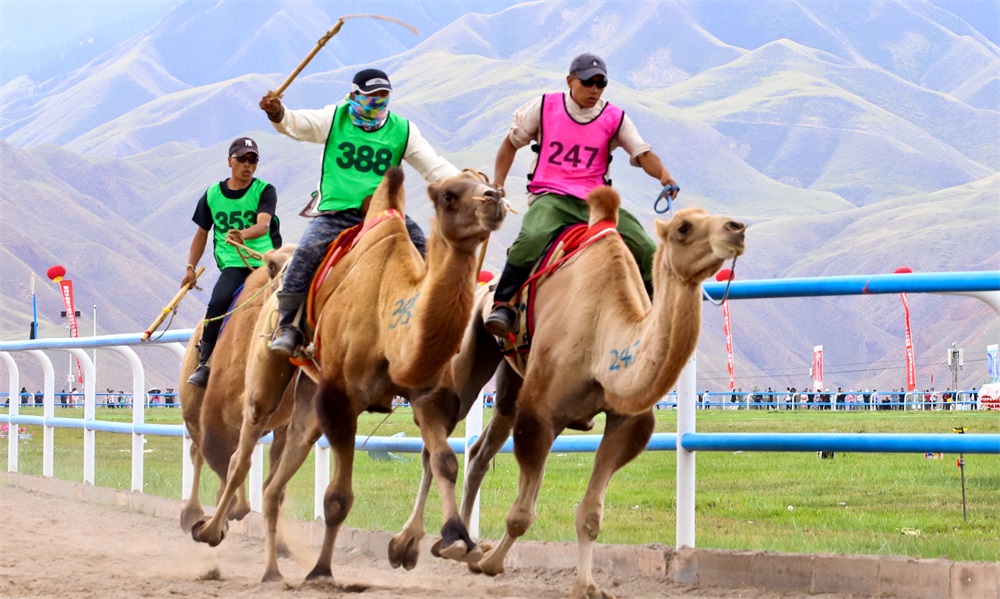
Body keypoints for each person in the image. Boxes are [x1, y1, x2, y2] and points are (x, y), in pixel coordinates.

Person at [259, 68, 461, 355]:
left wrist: (468, 185)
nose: (377, 101)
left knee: (428, 253)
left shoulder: (403, 130)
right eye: (371, 95)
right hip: (336, 213)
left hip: (386, 214)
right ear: (354, 95)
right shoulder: (335, 118)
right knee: (305, 253)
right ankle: (288, 324)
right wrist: (278, 113)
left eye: (383, 95)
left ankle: (438, 323)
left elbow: (434, 167)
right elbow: (300, 125)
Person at [484, 53, 678, 336]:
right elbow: (510, 144)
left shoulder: (615, 118)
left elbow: (642, 153)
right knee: (533, 235)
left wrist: (664, 176)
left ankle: (657, 309)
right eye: (588, 82)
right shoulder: (545, 106)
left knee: (645, 246)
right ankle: (503, 305)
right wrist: (498, 185)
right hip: (551, 196)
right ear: (570, 81)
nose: (594, 89)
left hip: (596, 203)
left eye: (601, 84)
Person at [182, 136, 282, 387]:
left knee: (293, 296)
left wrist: (242, 234)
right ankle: (205, 362)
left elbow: (263, 225)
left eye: (252, 160)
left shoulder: (264, 190)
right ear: (230, 161)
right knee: (218, 301)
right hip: (233, 263)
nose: (247, 165)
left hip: (264, 261)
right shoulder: (212, 195)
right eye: (242, 159)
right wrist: (190, 268)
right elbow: (201, 234)